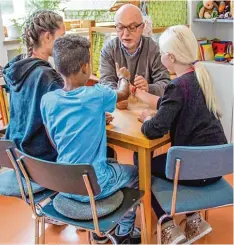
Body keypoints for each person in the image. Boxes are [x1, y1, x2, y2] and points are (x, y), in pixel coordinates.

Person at [40, 34, 141, 244]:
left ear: (57, 68)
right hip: (95, 186)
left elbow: (55, 138)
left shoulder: (48, 100)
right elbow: (123, 94)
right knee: (137, 174)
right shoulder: (95, 95)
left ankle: (99, 231)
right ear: (86, 67)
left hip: (65, 183)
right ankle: (124, 231)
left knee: (111, 163)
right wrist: (123, 76)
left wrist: (91, 121)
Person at [132, 25, 227, 244]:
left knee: (142, 162)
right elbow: (172, 105)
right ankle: (193, 218)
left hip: (194, 169)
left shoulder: (176, 86)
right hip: (217, 165)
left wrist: (147, 119)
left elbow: (154, 129)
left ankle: (166, 224)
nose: (160, 55)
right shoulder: (198, 78)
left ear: (171, 57)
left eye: (162, 52)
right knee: (169, 163)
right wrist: (145, 97)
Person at [3, 10, 65, 161]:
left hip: (18, 155)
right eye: (62, 37)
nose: (64, 43)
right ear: (47, 36)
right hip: (44, 161)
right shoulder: (46, 77)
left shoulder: (16, 69)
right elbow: (67, 118)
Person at [99, 3, 170, 110]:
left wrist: (148, 88)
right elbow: (105, 82)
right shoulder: (109, 50)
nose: (126, 33)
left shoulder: (154, 49)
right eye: (120, 27)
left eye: (132, 27)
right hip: (120, 111)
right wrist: (116, 96)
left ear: (142, 27)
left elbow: (166, 85)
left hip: (146, 110)